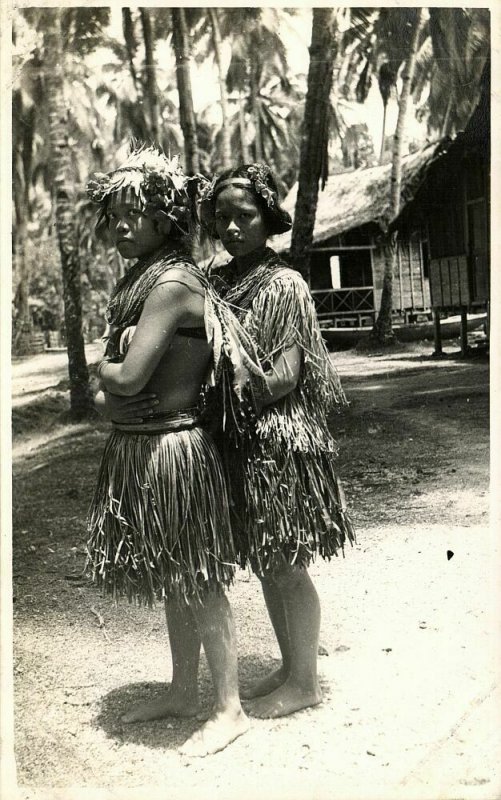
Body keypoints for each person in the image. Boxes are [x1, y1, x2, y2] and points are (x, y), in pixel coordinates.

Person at [86, 146, 257, 756]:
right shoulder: (141, 282)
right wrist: (110, 385)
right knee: (174, 578)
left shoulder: (172, 283)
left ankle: (230, 707)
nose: (120, 225)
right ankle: (186, 689)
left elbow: (127, 380)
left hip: (172, 450)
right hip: (144, 449)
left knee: (199, 577)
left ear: (166, 218)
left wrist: (100, 369)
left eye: (135, 213)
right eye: (114, 213)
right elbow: (112, 392)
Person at [199, 163, 356, 719]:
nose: (233, 228)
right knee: (267, 560)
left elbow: (285, 375)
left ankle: (306, 681)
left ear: (268, 220)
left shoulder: (284, 284)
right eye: (224, 218)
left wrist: (231, 389)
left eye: (245, 217)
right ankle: (291, 666)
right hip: (239, 441)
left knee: (286, 560)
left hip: (278, 441)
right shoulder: (215, 282)